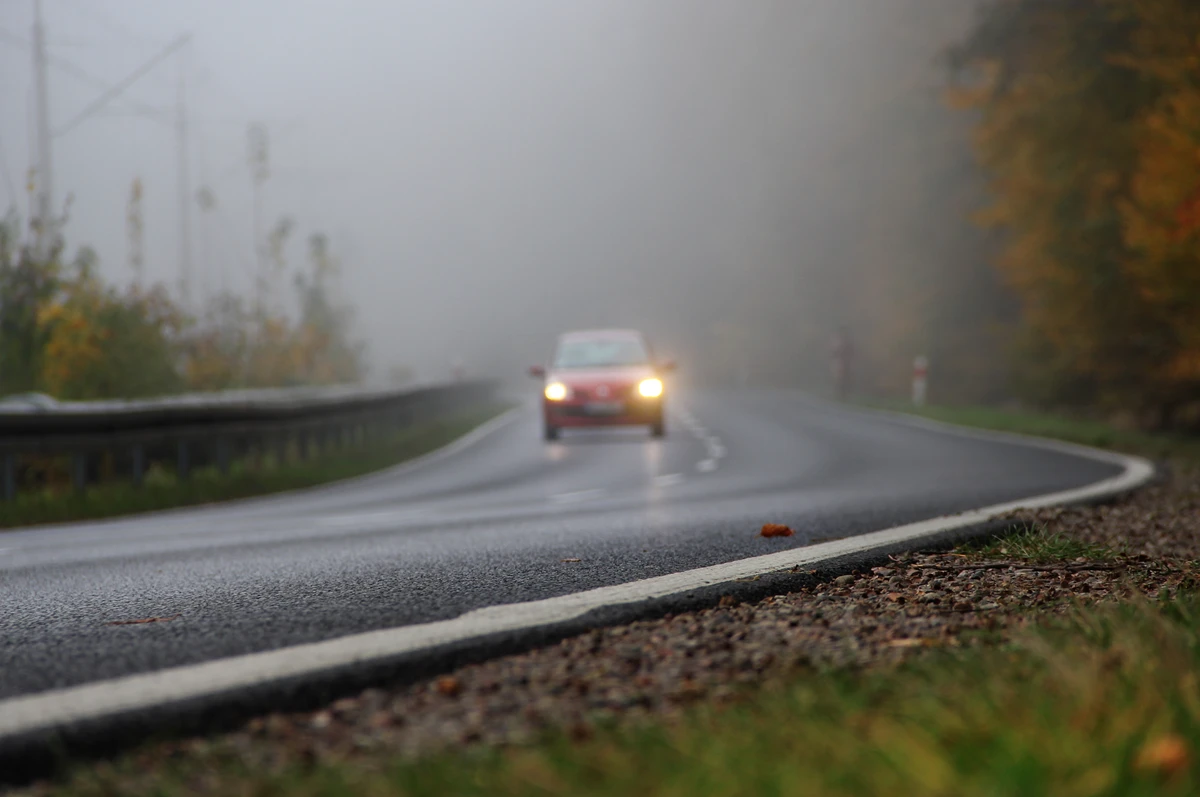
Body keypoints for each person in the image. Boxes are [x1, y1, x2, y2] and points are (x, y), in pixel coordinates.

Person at [830, 327, 853, 400]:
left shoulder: (846, 343)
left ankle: (844, 394)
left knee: (844, 378)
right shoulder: (836, 342)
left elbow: (850, 353)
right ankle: (839, 394)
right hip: (838, 362)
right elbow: (833, 353)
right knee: (838, 378)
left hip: (845, 362)